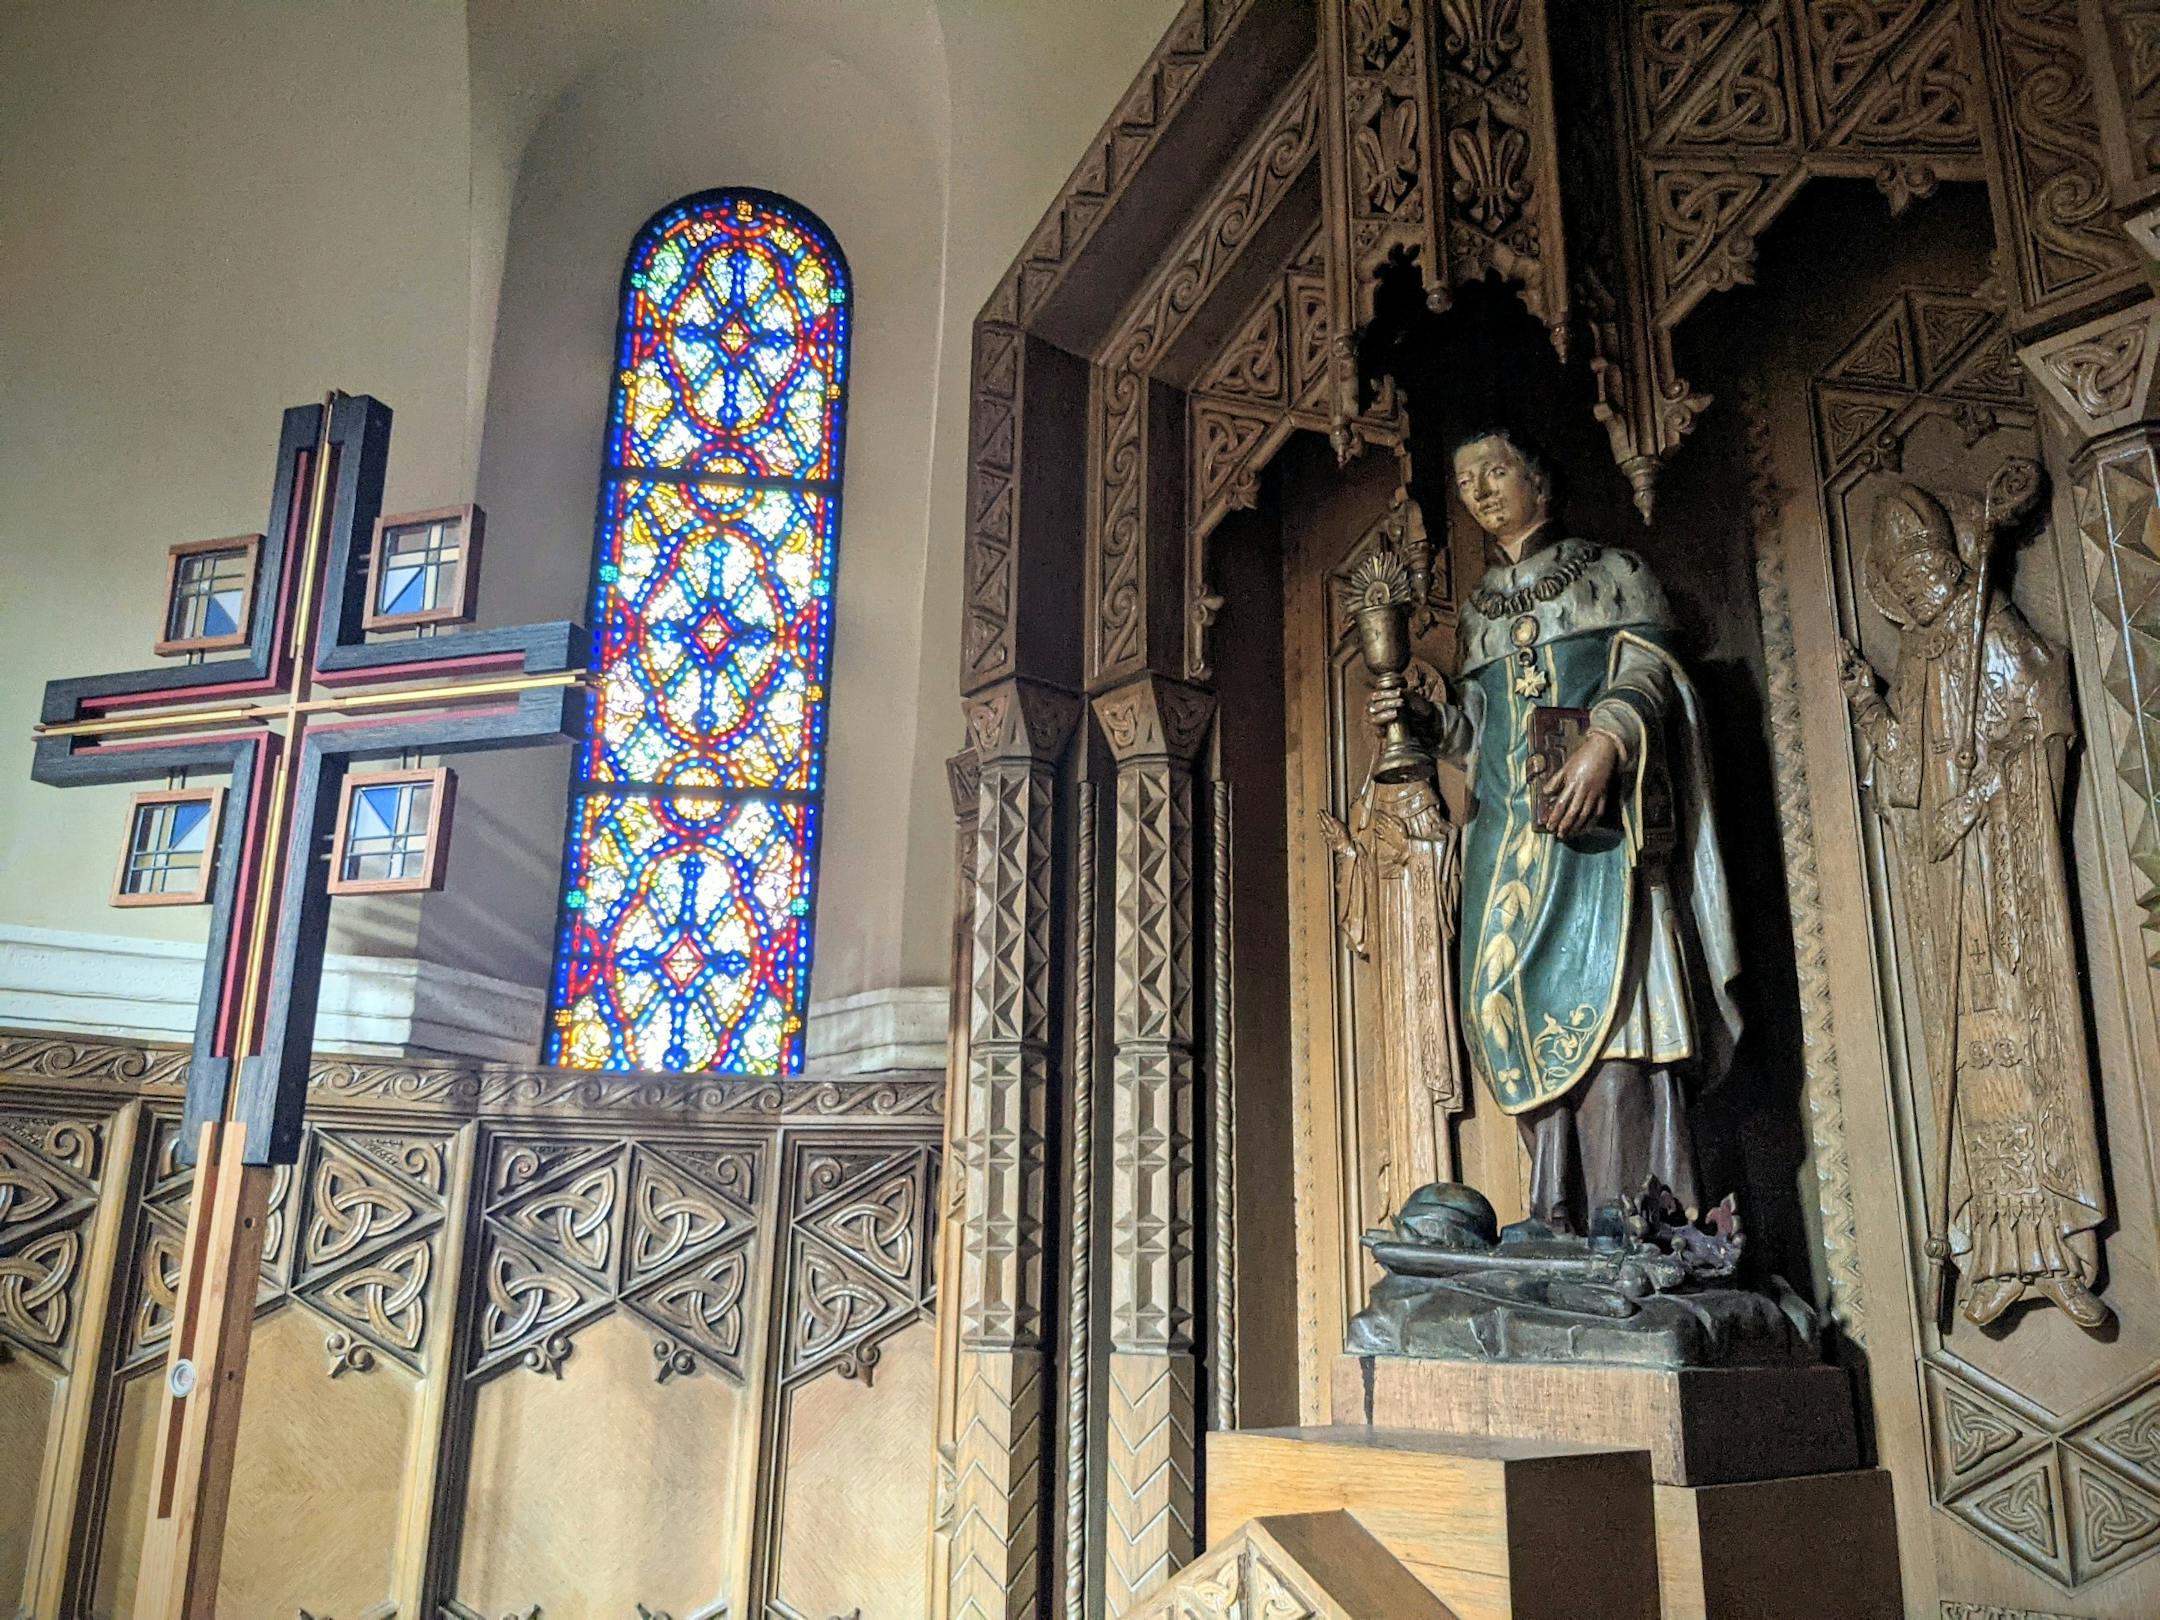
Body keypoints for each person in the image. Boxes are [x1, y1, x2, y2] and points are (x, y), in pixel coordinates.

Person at [1370, 429, 1741, 1235]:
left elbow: (1654, 679)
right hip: (1510, 854)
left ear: (1540, 477)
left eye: (1496, 471)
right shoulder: (1478, 614)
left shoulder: (1613, 575)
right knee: (1518, 1030)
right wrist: (1427, 723)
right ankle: (1561, 1225)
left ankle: (1639, 1222)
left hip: (1602, 851)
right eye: (1467, 482)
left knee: (1617, 1039)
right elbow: (1484, 739)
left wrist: (1607, 742)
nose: (1481, 493)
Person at [1839, 481, 2108, 1328]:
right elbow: (1911, 777)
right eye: (1902, 580)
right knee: (1970, 1057)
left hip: (2006, 881)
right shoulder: (1920, 657)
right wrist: (1866, 704)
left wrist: (1983, 793)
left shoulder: (1991, 629)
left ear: (1950, 559)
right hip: (1947, 891)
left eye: (1926, 568)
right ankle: (1996, 1255)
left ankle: (2060, 1243)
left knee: (2024, 1043)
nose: (1919, 589)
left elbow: (2042, 715)